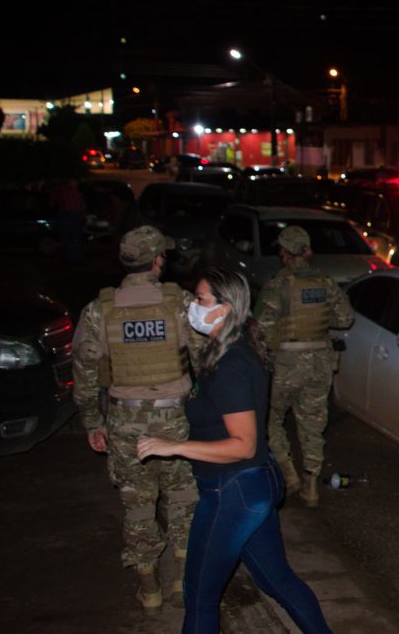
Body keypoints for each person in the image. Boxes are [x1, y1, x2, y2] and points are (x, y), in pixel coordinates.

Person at [138, 269, 331, 634]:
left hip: (234, 492)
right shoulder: (228, 348)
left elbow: (243, 444)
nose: (193, 306)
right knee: (278, 582)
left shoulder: (231, 363)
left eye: (200, 300)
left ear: (224, 309)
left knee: (199, 597)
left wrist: (174, 446)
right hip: (251, 488)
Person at [72, 225, 201, 609]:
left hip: (125, 425)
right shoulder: (179, 303)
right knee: (183, 498)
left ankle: (149, 590)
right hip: (176, 420)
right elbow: (206, 358)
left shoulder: (100, 310)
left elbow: (84, 373)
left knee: (138, 506)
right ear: (158, 259)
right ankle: (181, 582)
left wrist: (92, 422)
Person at [254, 225, 355, 507]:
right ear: (307, 251)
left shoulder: (277, 286)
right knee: (312, 423)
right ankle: (311, 485)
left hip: (285, 365)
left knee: (270, 419)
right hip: (319, 364)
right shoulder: (325, 282)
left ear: (284, 253)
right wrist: (319, 322)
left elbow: (260, 328)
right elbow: (345, 319)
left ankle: (288, 471)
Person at [49, 178, 86, 263]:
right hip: (77, 213)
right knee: (76, 236)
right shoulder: (74, 189)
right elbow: (81, 203)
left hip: (66, 213)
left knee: (66, 237)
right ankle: (77, 258)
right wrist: (82, 214)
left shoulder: (58, 190)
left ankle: (69, 258)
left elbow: (51, 203)